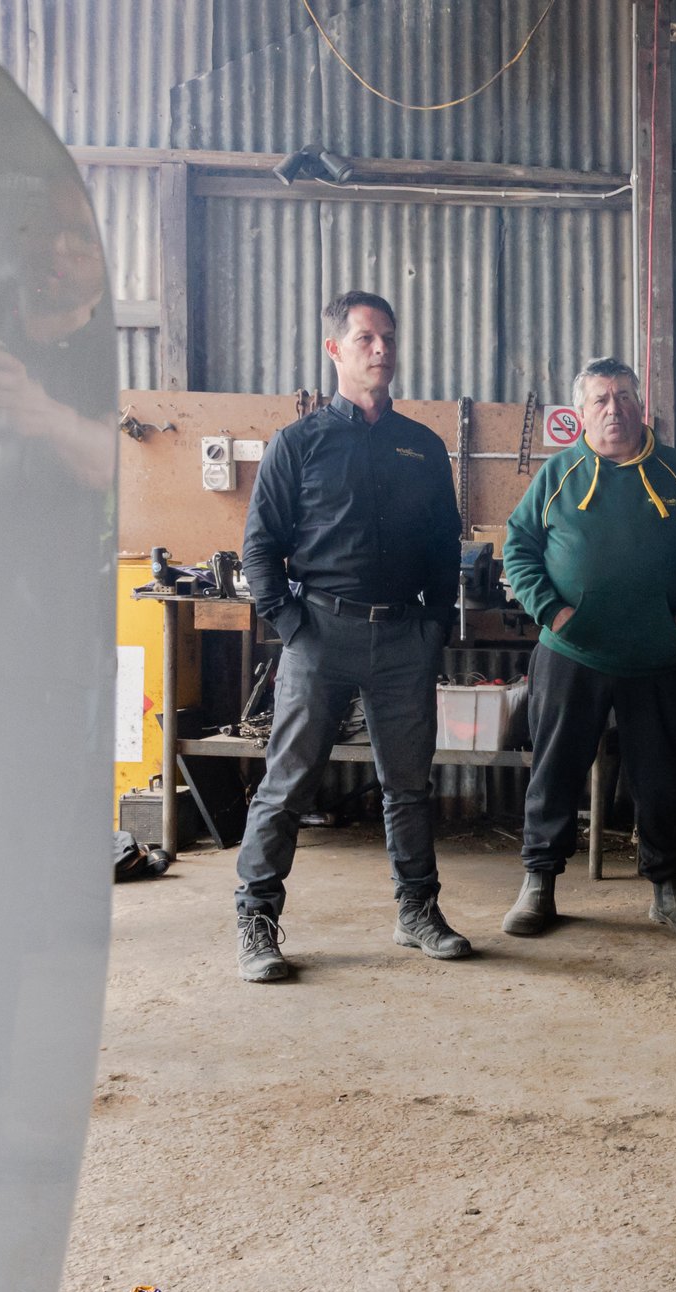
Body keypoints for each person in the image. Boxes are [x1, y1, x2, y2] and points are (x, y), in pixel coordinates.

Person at [233, 290, 467, 983]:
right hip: (319, 636)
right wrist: (295, 626)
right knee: (289, 782)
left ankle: (417, 911)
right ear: (334, 349)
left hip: (402, 638)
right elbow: (258, 550)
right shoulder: (297, 444)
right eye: (366, 338)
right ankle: (257, 919)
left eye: (389, 338)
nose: (382, 350)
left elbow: (444, 545)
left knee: (409, 785)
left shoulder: (422, 447)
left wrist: (433, 623)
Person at [501, 358, 676, 939]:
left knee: (658, 778)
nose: (614, 409)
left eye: (624, 396)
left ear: (640, 403)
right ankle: (539, 884)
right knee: (554, 770)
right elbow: (519, 547)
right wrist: (553, 612)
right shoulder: (557, 475)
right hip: (571, 652)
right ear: (580, 413)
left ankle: (669, 888)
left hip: (654, 655)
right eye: (600, 399)